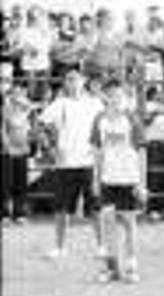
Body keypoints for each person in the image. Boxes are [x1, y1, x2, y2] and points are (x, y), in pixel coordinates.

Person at [38, 67, 105, 259]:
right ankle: (59, 247)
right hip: (65, 164)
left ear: (83, 81)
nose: (72, 83)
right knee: (61, 208)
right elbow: (40, 124)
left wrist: (101, 152)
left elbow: (106, 124)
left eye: (75, 79)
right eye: (68, 79)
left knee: (95, 207)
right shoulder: (59, 104)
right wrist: (50, 148)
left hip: (89, 163)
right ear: (65, 83)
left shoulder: (95, 103)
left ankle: (101, 247)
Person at [91, 79, 147, 282]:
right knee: (108, 222)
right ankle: (112, 268)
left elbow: (141, 152)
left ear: (124, 97)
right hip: (108, 179)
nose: (116, 99)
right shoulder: (99, 119)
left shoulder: (131, 119)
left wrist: (142, 183)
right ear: (105, 97)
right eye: (112, 96)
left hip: (129, 179)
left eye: (119, 96)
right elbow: (97, 152)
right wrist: (96, 180)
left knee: (129, 222)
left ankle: (132, 266)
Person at [2, 64, 32, 224]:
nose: (18, 94)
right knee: (6, 182)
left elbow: (32, 129)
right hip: (8, 149)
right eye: (15, 92)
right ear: (11, 94)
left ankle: (19, 212)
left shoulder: (28, 109)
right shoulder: (5, 108)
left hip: (23, 148)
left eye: (21, 92)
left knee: (21, 182)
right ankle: (5, 213)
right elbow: (2, 128)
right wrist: (6, 144)